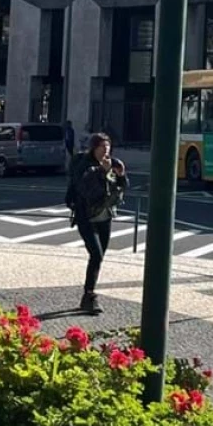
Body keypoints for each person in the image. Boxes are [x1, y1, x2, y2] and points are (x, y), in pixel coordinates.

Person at [69, 132, 127, 316]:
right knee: (96, 253)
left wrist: (121, 175)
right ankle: (90, 296)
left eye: (108, 148)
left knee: (99, 257)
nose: (105, 152)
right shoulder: (83, 165)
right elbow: (87, 189)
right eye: (102, 148)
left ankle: (88, 295)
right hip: (86, 216)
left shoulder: (111, 164)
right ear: (93, 148)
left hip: (104, 216)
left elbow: (121, 187)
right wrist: (102, 171)